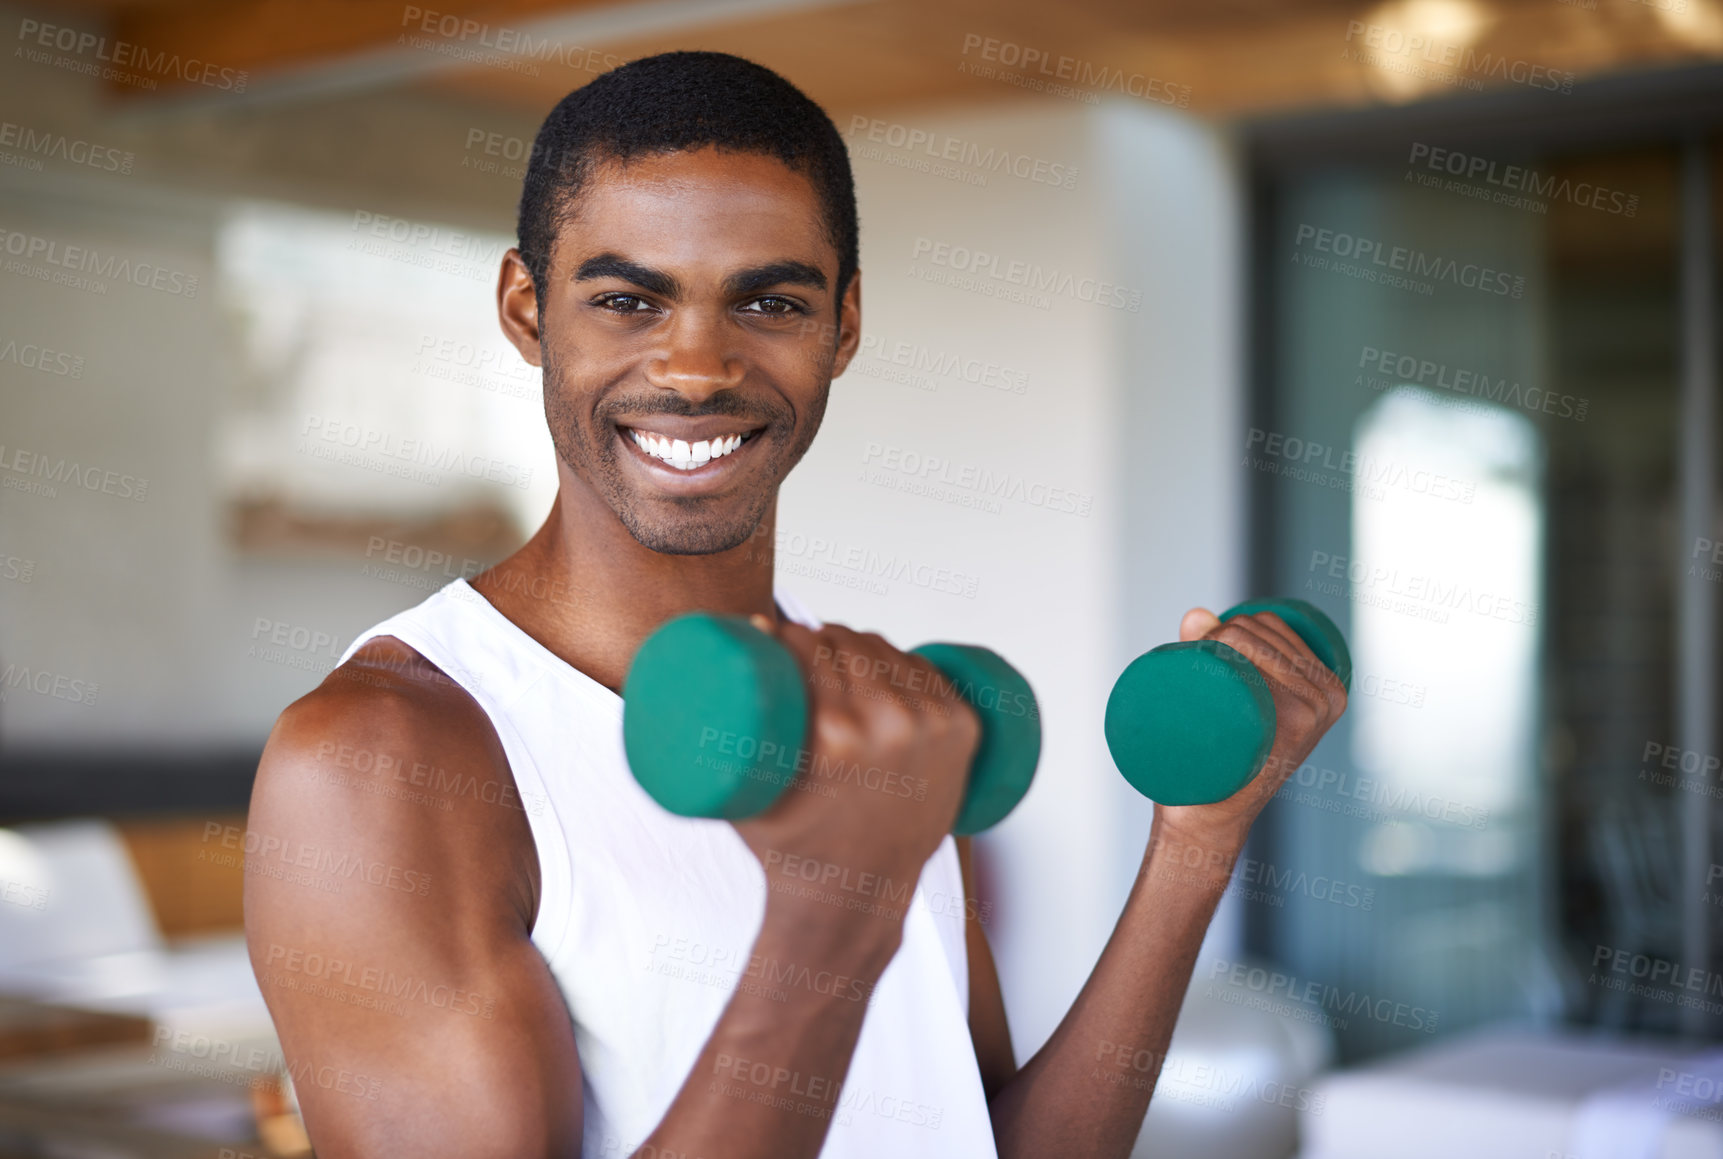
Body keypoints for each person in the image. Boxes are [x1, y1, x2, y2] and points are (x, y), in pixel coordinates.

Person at [244, 50, 1346, 1159]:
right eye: (629, 300)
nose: (694, 368)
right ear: (527, 311)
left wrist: (1196, 844)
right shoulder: (377, 759)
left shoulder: (870, 715)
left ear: (843, 326)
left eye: (768, 301)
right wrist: (835, 910)